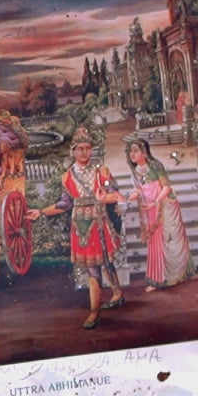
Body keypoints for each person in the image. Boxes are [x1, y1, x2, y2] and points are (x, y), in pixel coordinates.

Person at [26, 127, 125, 329]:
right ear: (73, 151)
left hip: (99, 222)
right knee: (93, 267)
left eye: (88, 148)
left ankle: (117, 294)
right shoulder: (67, 177)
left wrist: (104, 197)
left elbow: (116, 195)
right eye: (80, 148)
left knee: (105, 261)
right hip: (81, 227)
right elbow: (65, 204)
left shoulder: (101, 171)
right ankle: (95, 311)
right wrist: (41, 212)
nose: (84, 152)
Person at [125, 139, 195, 291]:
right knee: (155, 243)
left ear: (144, 152)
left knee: (167, 242)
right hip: (150, 209)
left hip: (165, 208)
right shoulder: (135, 171)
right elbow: (139, 190)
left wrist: (155, 202)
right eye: (130, 151)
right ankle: (158, 277)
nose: (132, 154)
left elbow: (167, 188)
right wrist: (127, 197)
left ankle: (170, 276)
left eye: (136, 150)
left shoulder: (155, 166)